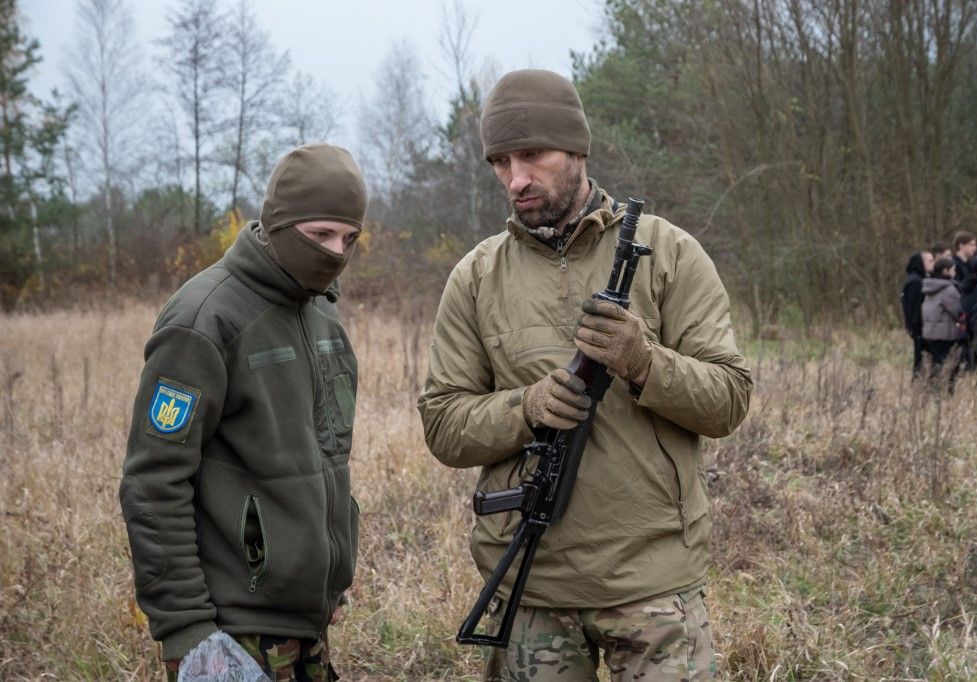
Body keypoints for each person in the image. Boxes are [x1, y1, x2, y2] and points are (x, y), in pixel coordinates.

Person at [418, 69, 752, 681]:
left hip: (653, 587)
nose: (515, 178)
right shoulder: (476, 277)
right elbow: (442, 424)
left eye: (532, 155)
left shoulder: (669, 253)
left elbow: (729, 399)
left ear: (577, 150)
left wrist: (644, 364)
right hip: (529, 588)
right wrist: (526, 407)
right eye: (500, 161)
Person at [120, 144, 365, 681]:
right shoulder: (204, 318)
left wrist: (328, 575)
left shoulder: (322, 315)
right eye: (320, 235)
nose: (335, 253)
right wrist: (185, 629)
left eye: (349, 239)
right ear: (278, 223)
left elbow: (326, 456)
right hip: (231, 631)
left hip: (307, 625)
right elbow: (154, 480)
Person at [921, 257, 961, 387]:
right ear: (946, 271)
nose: (955, 273)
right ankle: (946, 393)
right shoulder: (948, 290)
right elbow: (958, 312)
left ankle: (932, 392)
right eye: (953, 270)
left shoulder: (929, 287)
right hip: (945, 335)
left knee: (934, 366)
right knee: (948, 366)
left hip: (929, 333)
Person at [900, 250, 934, 377]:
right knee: (920, 361)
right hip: (920, 328)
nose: (933, 263)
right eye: (930, 261)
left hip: (922, 328)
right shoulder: (915, 282)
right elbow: (915, 308)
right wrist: (918, 329)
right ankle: (919, 386)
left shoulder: (918, 279)